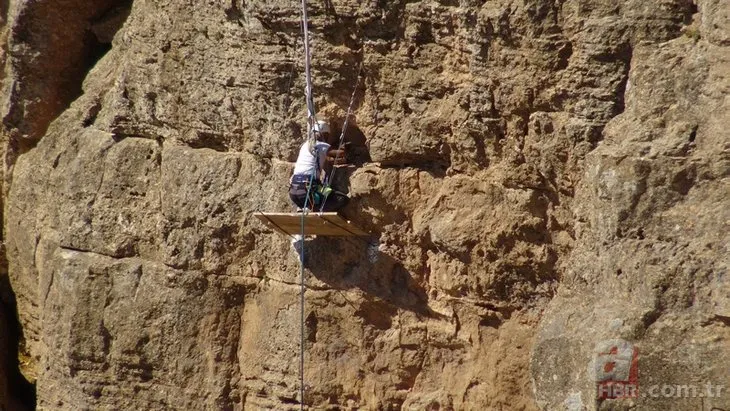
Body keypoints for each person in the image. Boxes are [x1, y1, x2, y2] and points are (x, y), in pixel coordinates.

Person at [289, 120, 349, 212]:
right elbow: (340, 153)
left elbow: (327, 159)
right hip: (308, 191)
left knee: (327, 192)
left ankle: (305, 207)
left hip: (294, 191)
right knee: (342, 199)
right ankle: (314, 209)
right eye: (327, 136)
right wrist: (345, 147)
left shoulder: (305, 146)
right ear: (324, 134)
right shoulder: (320, 145)